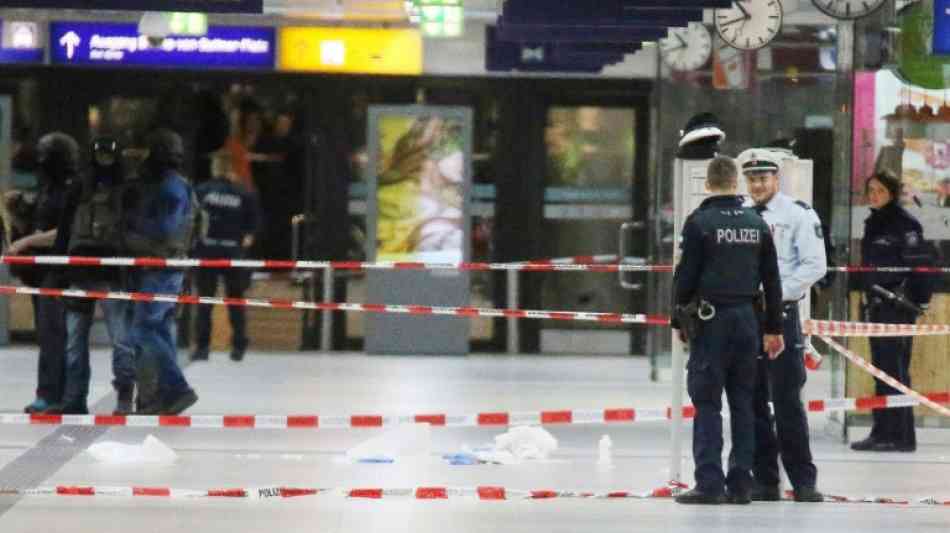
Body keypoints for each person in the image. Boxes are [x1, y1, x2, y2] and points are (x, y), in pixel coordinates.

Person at [672, 156, 785, 505]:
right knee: (744, 404)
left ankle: (709, 483)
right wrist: (773, 328)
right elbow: (772, 280)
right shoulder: (756, 222)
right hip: (748, 322)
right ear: (735, 182)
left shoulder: (699, 223)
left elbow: (685, 277)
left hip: (711, 323)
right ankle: (740, 484)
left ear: (708, 183)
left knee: (706, 402)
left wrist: (678, 319)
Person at [740, 149, 826, 502]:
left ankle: (803, 481)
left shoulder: (797, 214)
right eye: (752, 179)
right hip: (747, 318)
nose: (758, 185)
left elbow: (814, 265)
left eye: (764, 178)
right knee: (753, 400)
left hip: (782, 315)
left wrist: (774, 296)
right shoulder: (741, 214)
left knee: (788, 401)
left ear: (777, 179)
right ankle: (765, 480)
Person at [45, 137, 135, 415]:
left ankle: (122, 397)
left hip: (111, 273)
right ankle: (75, 400)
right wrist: (60, 268)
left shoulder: (126, 189)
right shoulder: (81, 186)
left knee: (120, 340)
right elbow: (65, 229)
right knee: (78, 342)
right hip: (81, 272)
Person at [851, 171, 935, 452]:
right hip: (876, 305)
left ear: (892, 193)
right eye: (870, 190)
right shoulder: (874, 223)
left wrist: (920, 302)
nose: (873, 195)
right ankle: (881, 431)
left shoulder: (905, 224)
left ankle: (901, 436)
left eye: (880, 191)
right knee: (880, 371)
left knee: (895, 372)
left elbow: (920, 268)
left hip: (897, 308)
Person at [123, 129, 198, 415]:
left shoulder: (169, 188)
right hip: (171, 266)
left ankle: (178, 388)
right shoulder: (179, 184)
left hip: (160, 266)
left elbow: (166, 230)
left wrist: (132, 230)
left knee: (143, 329)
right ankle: (167, 396)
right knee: (161, 330)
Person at [8, 132, 77, 414]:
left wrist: (26, 242)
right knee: (47, 334)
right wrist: (21, 206)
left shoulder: (69, 190)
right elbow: (40, 217)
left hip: (58, 271)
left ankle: (53, 396)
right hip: (41, 271)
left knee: (53, 334)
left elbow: (63, 232)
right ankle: (48, 393)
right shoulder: (47, 186)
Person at [191, 150, 260, 362]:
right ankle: (238, 346)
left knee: (205, 301)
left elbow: (191, 221)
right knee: (236, 300)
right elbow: (252, 230)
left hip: (207, 251)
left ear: (215, 168)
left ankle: (202, 348)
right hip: (232, 252)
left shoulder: (202, 191)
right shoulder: (244, 193)